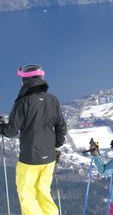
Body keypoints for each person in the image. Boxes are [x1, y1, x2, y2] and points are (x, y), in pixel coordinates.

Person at [0, 64, 67, 215]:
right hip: (49, 157)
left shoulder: (23, 103)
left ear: (25, 81)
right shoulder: (53, 100)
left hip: (30, 159)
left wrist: (1, 127)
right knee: (44, 192)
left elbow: (11, 131)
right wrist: (56, 145)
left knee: (27, 194)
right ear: (41, 78)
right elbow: (61, 126)